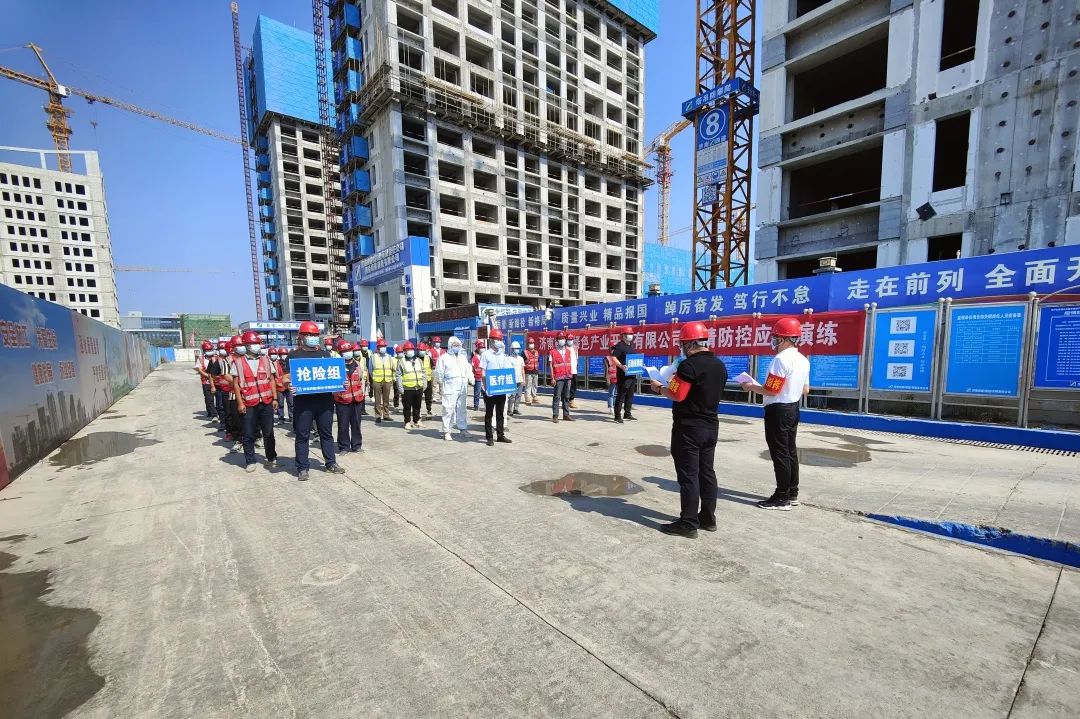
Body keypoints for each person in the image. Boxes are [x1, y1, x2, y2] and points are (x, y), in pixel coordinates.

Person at [649, 321, 728, 538]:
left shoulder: (688, 366)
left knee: (688, 476)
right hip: (711, 426)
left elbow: (677, 394)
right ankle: (708, 518)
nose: (682, 348)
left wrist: (659, 388)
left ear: (690, 344)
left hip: (689, 429)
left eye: (683, 344)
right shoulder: (719, 365)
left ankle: (688, 523)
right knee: (707, 473)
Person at [741, 317, 810, 511]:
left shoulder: (781, 359)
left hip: (778, 411)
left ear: (784, 339)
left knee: (780, 453)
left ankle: (781, 497)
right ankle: (792, 492)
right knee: (790, 451)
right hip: (793, 408)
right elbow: (806, 389)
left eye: (776, 337)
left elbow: (771, 390)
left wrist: (751, 386)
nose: (773, 341)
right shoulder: (803, 360)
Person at [289, 321, 345, 481]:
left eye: (314, 335)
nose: (312, 337)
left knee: (326, 434)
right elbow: (285, 377)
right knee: (302, 436)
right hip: (303, 403)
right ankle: (302, 468)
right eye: (309, 335)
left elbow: (334, 376)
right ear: (301, 336)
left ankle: (331, 463)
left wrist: (342, 383)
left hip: (324, 402)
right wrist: (289, 384)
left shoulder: (325, 355)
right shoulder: (294, 356)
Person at [232, 330, 280, 472]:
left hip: (266, 402)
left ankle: (271, 457)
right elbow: (236, 384)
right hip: (248, 404)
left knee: (269, 433)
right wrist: (240, 403)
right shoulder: (238, 362)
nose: (257, 346)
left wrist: (275, 398)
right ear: (247, 345)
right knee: (248, 433)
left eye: (258, 343)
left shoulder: (266, 360)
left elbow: (272, 380)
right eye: (254, 343)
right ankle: (250, 460)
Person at [479, 329, 514, 446]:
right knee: (489, 414)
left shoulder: (502, 355)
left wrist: (509, 388)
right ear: (492, 340)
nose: (500, 341)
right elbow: (483, 373)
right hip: (490, 389)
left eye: (500, 339)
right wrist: (486, 388)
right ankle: (489, 437)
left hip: (501, 389)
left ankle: (500, 435)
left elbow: (507, 371)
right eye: (497, 339)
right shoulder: (486, 354)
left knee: (500, 413)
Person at [435, 335, 472, 441]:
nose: (457, 347)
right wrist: (441, 385)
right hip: (450, 386)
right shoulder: (443, 358)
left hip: (462, 385)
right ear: (450, 345)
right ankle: (447, 431)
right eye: (455, 345)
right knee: (448, 409)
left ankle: (463, 428)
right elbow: (439, 373)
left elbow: (468, 369)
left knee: (462, 408)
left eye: (458, 345)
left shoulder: (462, 357)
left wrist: (471, 378)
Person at [333, 341, 365, 453]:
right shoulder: (336, 367)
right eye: (344, 351)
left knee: (356, 424)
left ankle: (356, 445)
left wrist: (363, 393)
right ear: (340, 353)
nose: (348, 353)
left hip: (357, 400)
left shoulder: (358, 365)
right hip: (342, 401)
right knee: (343, 426)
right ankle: (344, 447)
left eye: (349, 350)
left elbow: (361, 379)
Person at [610, 326, 639, 423]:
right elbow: (614, 357)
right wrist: (621, 366)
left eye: (631, 334)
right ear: (623, 335)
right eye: (628, 334)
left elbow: (634, 358)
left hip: (632, 375)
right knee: (621, 395)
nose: (630, 335)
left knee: (630, 395)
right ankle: (617, 416)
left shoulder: (631, 346)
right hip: (623, 375)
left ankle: (627, 414)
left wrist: (639, 365)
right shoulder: (620, 346)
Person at [396, 341, 427, 429]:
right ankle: (407, 422)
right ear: (404, 351)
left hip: (418, 387)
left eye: (411, 349)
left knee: (417, 406)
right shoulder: (401, 361)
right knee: (407, 407)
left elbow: (423, 372)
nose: (410, 351)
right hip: (407, 388)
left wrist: (424, 383)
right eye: (408, 349)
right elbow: (398, 375)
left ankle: (417, 421)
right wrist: (400, 388)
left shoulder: (419, 360)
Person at [549, 331, 575, 423]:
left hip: (568, 377)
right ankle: (555, 415)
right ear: (557, 340)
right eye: (560, 339)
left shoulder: (568, 351)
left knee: (566, 396)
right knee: (557, 396)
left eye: (563, 338)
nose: (562, 340)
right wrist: (552, 378)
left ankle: (566, 415)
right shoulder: (552, 352)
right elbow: (551, 365)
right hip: (558, 377)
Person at [207, 340, 233, 433]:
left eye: (223, 348)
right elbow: (211, 374)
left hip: (233, 388)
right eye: (220, 348)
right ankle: (223, 424)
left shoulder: (233, 360)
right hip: (220, 388)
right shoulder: (216, 361)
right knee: (221, 406)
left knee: (232, 409)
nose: (222, 350)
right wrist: (213, 386)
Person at [370, 339, 395, 422]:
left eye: (384, 346)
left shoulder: (389, 356)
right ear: (378, 347)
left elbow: (392, 368)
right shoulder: (373, 357)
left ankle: (386, 415)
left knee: (386, 399)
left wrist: (391, 378)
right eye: (381, 346)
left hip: (387, 380)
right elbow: (370, 369)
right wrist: (374, 377)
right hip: (377, 380)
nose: (383, 348)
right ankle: (377, 416)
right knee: (377, 399)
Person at [270, 347, 294, 424]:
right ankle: (281, 418)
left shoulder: (290, 363)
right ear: (279, 355)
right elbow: (273, 376)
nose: (284, 355)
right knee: (280, 404)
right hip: (279, 386)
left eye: (285, 354)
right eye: (282, 354)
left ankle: (291, 417)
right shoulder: (275, 363)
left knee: (291, 403)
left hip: (288, 386)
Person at [195, 340, 216, 420]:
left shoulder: (216, 358)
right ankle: (213, 414)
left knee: (219, 399)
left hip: (217, 382)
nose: (209, 351)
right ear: (204, 351)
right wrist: (208, 376)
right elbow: (200, 370)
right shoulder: (201, 359)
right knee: (209, 399)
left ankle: (216, 412)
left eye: (210, 350)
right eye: (207, 350)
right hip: (206, 382)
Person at [507, 341, 525, 416]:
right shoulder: (509, 358)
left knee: (519, 395)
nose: (517, 350)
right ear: (512, 349)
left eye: (518, 348)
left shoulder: (521, 358)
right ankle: (509, 410)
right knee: (512, 396)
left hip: (520, 379)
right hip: (512, 380)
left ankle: (516, 409)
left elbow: (522, 369)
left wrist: (524, 379)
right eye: (515, 348)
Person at [418, 342, 435, 417]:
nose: (421, 351)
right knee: (418, 398)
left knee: (428, 397)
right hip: (419, 381)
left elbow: (432, 368)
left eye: (423, 350)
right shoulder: (415, 359)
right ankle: (418, 411)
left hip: (428, 380)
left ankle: (429, 410)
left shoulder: (428, 358)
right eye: (420, 350)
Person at [356, 339, 372, 416]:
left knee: (363, 394)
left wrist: (367, 379)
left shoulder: (369, 353)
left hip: (364, 377)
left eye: (366, 346)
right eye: (363, 346)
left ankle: (363, 409)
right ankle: (358, 409)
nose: (365, 347)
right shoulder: (358, 355)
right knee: (358, 394)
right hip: (357, 378)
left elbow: (366, 368)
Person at [523, 338, 540, 404]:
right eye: (530, 343)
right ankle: (527, 397)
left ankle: (534, 396)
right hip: (528, 371)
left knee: (535, 385)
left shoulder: (536, 352)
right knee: (528, 385)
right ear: (527, 344)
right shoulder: (524, 352)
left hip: (535, 371)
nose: (531, 344)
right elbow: (522, 362)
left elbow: (538, 361)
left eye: (532, 343)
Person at [604, 340, 619, 416]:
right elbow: (606, 370)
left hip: (618, 378)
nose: (613, 350)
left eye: (614, 348)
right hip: (611, 378)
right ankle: (611, 408)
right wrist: (607, 379)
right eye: (612, 348)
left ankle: (615, 407)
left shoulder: (618, 357)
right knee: (611, 394)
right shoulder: (607, 358)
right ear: (609, 348)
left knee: (616, 394)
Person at [428, 337, 445, 401]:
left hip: (442, 370)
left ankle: (442, 396)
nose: (437, 343)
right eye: (436, 342)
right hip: (434, 369)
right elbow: (429, 360)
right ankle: (434, 396)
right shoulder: (431, 351)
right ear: (434, 343)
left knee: (442, 383)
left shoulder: (443, 351)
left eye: (438, 342)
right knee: (434, 384)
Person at [471, 339, 486, 411]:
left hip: (485, 377)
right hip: (478, 377)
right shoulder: (475, 357)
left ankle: (487, 405)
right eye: (481, 348)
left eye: (483, 348)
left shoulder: (485, 357)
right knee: (477, 393)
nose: (482, 349)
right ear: (478, 348)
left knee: (485, 393)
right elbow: (472, 368)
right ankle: (476, 406)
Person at [566, 331, 579, 409]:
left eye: (571, 339)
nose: (570, 341)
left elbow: (576, 358)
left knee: (574, 386)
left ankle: (572, 400)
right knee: (567, 386)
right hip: (567, 371)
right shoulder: (564, 348)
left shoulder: (575, 348)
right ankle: (566, 400)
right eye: (568, 339)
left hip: (574, 370)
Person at [391, 344, 402, 411]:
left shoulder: (403, 358)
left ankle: (404, 404)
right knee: (396, 392)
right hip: (395, 378)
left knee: (403, 393)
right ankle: (396, 405)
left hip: (403, 378)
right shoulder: (393, 359)